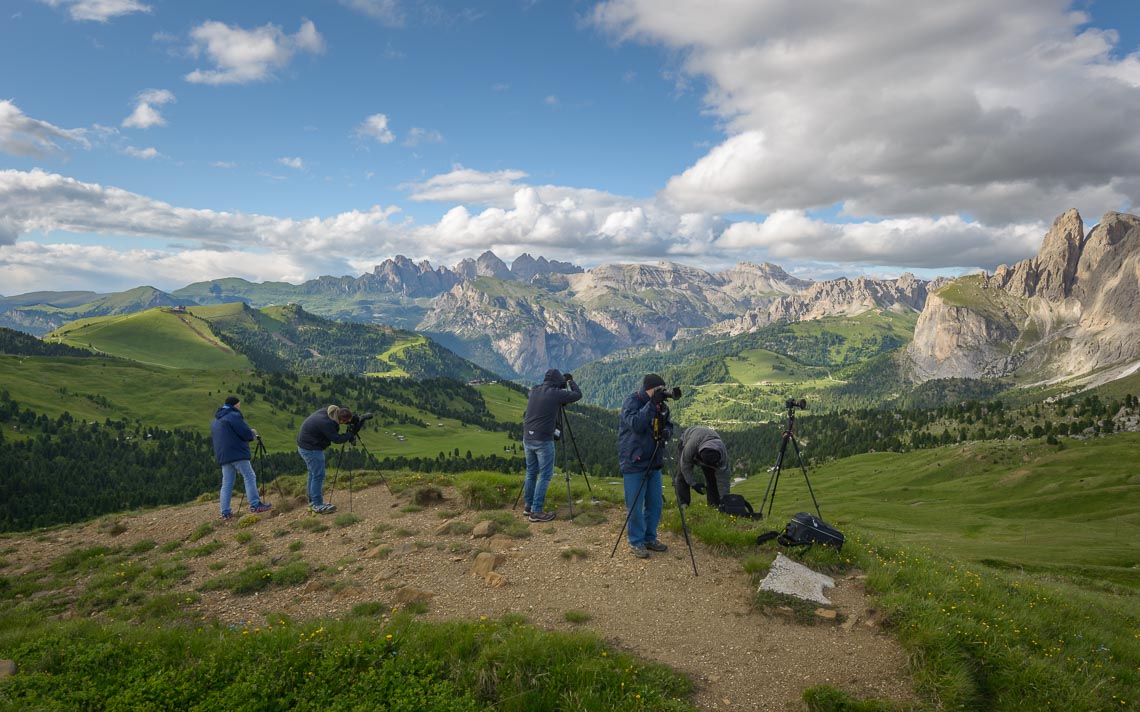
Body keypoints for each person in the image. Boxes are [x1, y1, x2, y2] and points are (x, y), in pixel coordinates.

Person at [617, 373, 674, 559]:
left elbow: (669, 424)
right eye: (660, 389)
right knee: (635, 505)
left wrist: (667, 431)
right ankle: (636, 541)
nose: (663, 393)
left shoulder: (661, 406)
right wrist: (651, 405)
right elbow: (636, 424)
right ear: (652, 388)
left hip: (654, 461)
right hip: (635, 461)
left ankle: (650, 538)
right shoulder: (632, 401)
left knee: (655, 504)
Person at [521, 368, 582, 522]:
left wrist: (559, 384)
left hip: (527, 437)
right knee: (546, 475)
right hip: (543, 439)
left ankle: (528, 507)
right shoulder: (556, 394)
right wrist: (569, 381)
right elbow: (577, 395)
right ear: (557, 381)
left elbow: (539, 392)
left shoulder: (534, 391)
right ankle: (536, 511)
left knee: (531, 472)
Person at [210, 396, 272, 521]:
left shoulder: (215, 420)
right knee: (249, 476)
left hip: (223, 455)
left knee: (227, 483)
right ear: (235, 405)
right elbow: (245, 433)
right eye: (239, 404)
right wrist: (252, 433)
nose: (239, 407)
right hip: (237, 453)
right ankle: (255, 505)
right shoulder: (233, 416)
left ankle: (225, 512)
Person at [297, 404, 356, 514]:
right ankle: (317, 505)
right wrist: (350, 434)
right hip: (311, 449)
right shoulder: (327, 423)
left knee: (313, 473)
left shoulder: (330, 411)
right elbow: (337, 439)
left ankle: (312, 501)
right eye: (346, 421)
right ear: (342, 420)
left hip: (303, 445)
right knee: (319, 475)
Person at [676, 426, 731, 507]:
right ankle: (684, 504)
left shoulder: (723, 457)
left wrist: (724, 499)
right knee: (682, 475)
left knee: (712, 478)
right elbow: (685, 467)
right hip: (688, 439)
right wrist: (693, 484)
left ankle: (714, 505)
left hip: (705, 444)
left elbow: (724, 480)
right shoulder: (691, 446)